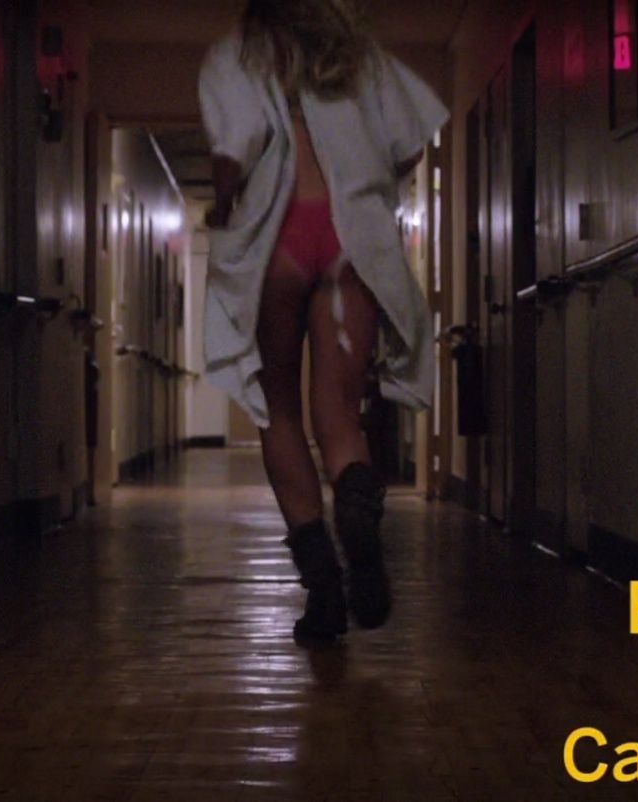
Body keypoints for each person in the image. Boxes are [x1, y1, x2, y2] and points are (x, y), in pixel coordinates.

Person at [198, 0, 447, 643]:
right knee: (339, 414)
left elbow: (232, 153)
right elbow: (408, 147)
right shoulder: (358, 56)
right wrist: (365, 176)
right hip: (347, 239)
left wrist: (223, 203)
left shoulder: (239, 53)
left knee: (278, 412)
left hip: (277, 239)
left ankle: (325, 594)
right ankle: (358, 519)